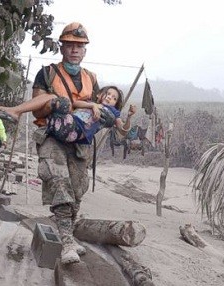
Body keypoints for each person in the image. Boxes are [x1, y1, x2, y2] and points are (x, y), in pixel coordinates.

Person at [20, 22, 133, 264]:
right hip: (53, 136)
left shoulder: (91, 78)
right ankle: (67, 243)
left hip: (80, 141)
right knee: (60, 183)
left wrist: (104, 115)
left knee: (78, 189)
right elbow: (37, 107)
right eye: (70, 45)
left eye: (79, 46)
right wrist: (58, 106)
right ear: (62, 47)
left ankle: (67, 235)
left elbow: (99, 108)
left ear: (85, 51)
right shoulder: (47, 73)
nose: (74, 50)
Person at [0, 86, 136, 145]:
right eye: (108, 94)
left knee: (60, 101)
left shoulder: (113, 113)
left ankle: (16, 111)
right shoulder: (92, 104)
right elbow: (76, 103)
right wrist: (93, 105)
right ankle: (16, 111)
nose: (110, 97)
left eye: (114, 98)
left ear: (116, 104)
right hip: (65, 124)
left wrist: (129, 116)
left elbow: (123, 130)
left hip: (74, 131)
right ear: (100, 95)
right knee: (53, 99)